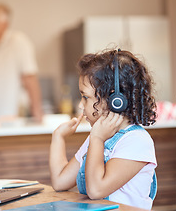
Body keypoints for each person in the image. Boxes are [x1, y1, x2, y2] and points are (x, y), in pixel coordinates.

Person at [49, 49, 157, 210]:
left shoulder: (137, 142)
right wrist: (58, 137)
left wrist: (97, 139)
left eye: (85, 97)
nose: (80, 105)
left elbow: (96, 190)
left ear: (114, 100)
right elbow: (60, 181)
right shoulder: (97, 137)